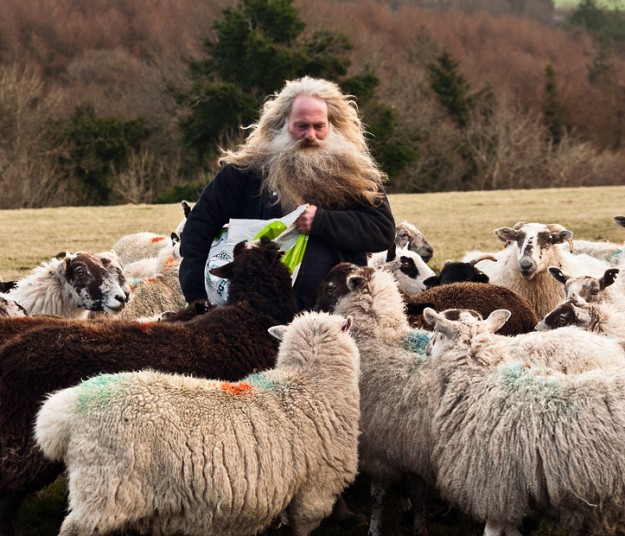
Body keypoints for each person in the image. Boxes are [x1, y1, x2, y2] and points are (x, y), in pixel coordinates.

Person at [179, 76, 396, 313]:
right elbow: (198, 228)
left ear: (333, 125)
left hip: (335, 316)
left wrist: (322, 221)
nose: (310, 135)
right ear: (282, 123)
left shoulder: (354, 173)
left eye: (319, 126)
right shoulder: (246, 172)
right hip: (253, 319)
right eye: (301, 126)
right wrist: (197, 295)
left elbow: (382, 231)